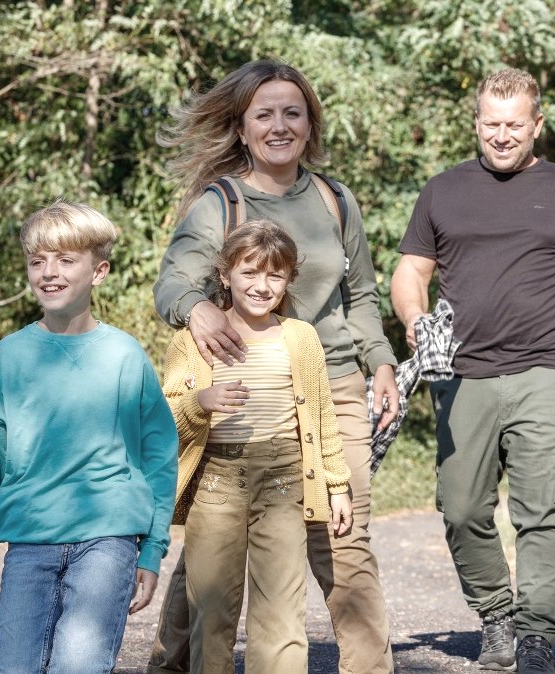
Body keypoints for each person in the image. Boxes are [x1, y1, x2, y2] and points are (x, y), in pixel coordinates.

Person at [389, 68, 555, 674]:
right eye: (490, 124)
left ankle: (535, 636)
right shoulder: (442, 191)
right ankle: (495, 615)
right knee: (460, 508)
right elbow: (411, 271)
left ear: (537, 124)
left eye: (513, 125)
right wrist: (413, 319)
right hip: (461, 373)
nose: (501, 136)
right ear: (475, 122)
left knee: (544, 510)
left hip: (544, 370)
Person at [150, 58, 399, 674]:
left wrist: (382, 360)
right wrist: (198, 311)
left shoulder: (335, 201)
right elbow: (172, 284)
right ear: (243, 127)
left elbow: (362, 296)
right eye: (265, 114)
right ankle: (170, 664)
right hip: (243, 389)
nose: (280, 125)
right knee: (214, 547)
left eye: (293, 113)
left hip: (332, 389)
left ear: (310, 125)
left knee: (343, 542)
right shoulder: (220, 204)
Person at [0, 200, 179, 673]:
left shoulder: (124, 356)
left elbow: (159, 455)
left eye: (66, 260)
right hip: (30, 543)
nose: (49, 273)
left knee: (79, 666)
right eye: (37, 262)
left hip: (108, 539)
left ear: (99, 271)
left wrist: (152, 549)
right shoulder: (9, 357)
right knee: (13, 667)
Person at [162, 219, 352, 673]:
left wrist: (337, 483)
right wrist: (201, 401)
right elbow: (164, 419)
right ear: (225, 275)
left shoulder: (300, 338)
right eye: (249, 272)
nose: (262, 286)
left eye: (275, 275)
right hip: (216, 483)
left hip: (284, 482)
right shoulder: (193, 340)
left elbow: (321, 415)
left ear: (288, 280)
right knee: (212, 613)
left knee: (283, 614)